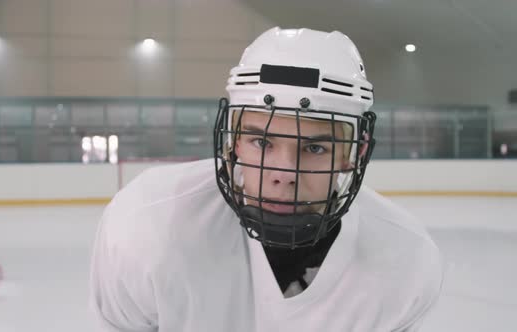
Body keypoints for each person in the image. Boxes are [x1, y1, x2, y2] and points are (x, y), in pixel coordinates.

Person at [90, 27, 443, 332]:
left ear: (356, 153)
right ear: (234, 141)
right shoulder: (147, 227)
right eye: (262, 142)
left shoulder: (404, 261)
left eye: (316, 148)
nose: (283, 176)